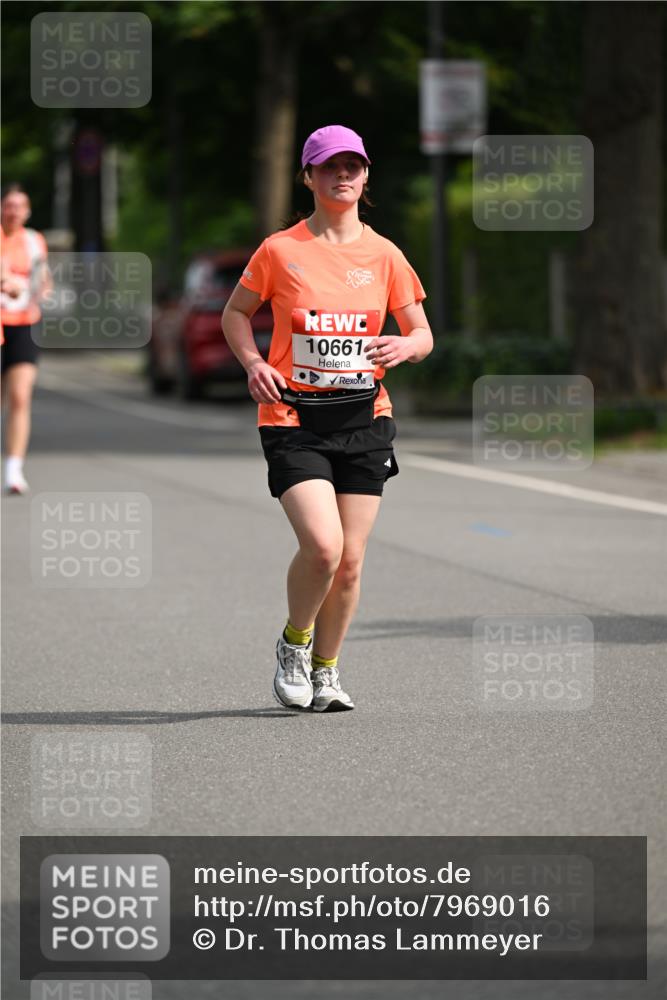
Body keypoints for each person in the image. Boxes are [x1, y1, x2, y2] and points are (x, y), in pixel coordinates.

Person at [222, 125, 433, 712]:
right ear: (309, 177)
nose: (343, 175)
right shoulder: (280, 250)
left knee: (350, 563)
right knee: (322, 547)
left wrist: (406, 347)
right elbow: (236, 313)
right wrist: (252, 361)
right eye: (330, 166)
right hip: (292, 416)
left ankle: (327, 671)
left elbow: (422, 332)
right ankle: (294, 644)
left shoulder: (385, 253)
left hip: (366, 419)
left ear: (366, 177)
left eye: (353, 166)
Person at [1, 183, 51, 494]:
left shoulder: (35, 240)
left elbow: (42, 276)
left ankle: (14, 470)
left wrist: (44, 289)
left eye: (20, 206)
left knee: (20, 396)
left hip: (24, 324)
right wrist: (7, 283)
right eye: (8, 205)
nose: (14, 211)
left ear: (28, 211)